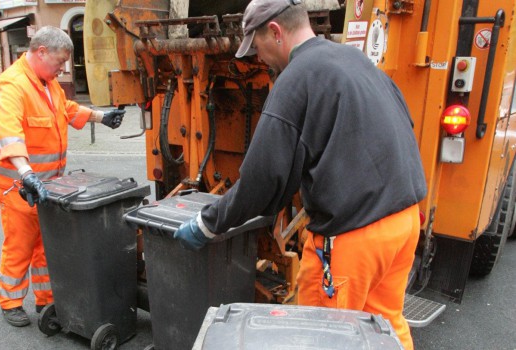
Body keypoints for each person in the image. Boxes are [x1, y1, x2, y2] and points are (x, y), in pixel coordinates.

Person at [172, 0, 426, 348]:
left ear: (275, 32)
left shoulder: (296, 77)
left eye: (256, 46)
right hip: (404, 222)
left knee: (321, 337)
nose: (257, 58)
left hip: (354, 237)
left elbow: (263, 179)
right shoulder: (354, 59)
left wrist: (208, 223)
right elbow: (403, 125)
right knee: (382, 326)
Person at [0, 26, 125, 327]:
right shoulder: (12, 86)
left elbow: (66, 110)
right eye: (59, 62)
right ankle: (9, 301)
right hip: (16, 184)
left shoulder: (48, 84)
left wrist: (102, 117)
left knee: (44, 245)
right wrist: (27, 175)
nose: (63, 68)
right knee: (21, 244)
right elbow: (7, 134)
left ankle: (47, 299)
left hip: (47, 184)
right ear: (41, 52)